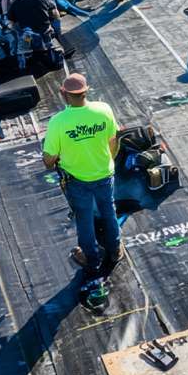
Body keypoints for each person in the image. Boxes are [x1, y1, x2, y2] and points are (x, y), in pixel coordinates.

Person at [42, 74, 122, 285]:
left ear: (64, 94)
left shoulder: (58, 122)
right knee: (109, 212)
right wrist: (106, 161)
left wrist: (56, 155)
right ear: (86, 91)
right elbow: (114, 141)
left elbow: (49, 161)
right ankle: (115, 251)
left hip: (77, 181)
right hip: (105, 175)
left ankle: (92, 259)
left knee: (84, 220)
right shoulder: (104, 109)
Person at [7, 0, 63, 69]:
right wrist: (57, 29)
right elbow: (55, 14)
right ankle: (53, 54)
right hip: (44, 32)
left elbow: (11, 22)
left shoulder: (15, 2)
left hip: (28, 35)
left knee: (23, 41)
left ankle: (24, 60)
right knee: (49, 42)